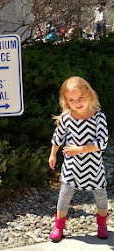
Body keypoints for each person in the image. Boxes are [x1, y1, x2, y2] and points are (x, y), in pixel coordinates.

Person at [48, 76, 109, 242]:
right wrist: (53, 153)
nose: (77, 103)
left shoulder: (98, 118)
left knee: (101, 197)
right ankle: (59, 226)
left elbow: (102, 142)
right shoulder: (67, 117)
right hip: (71, 169)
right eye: (72, 100)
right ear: (66, 101)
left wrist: (80, 149)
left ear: (89, 94)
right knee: (64, 197)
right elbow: (58, 136)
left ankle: (102, 224)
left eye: (81, 98)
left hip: (94, 169)